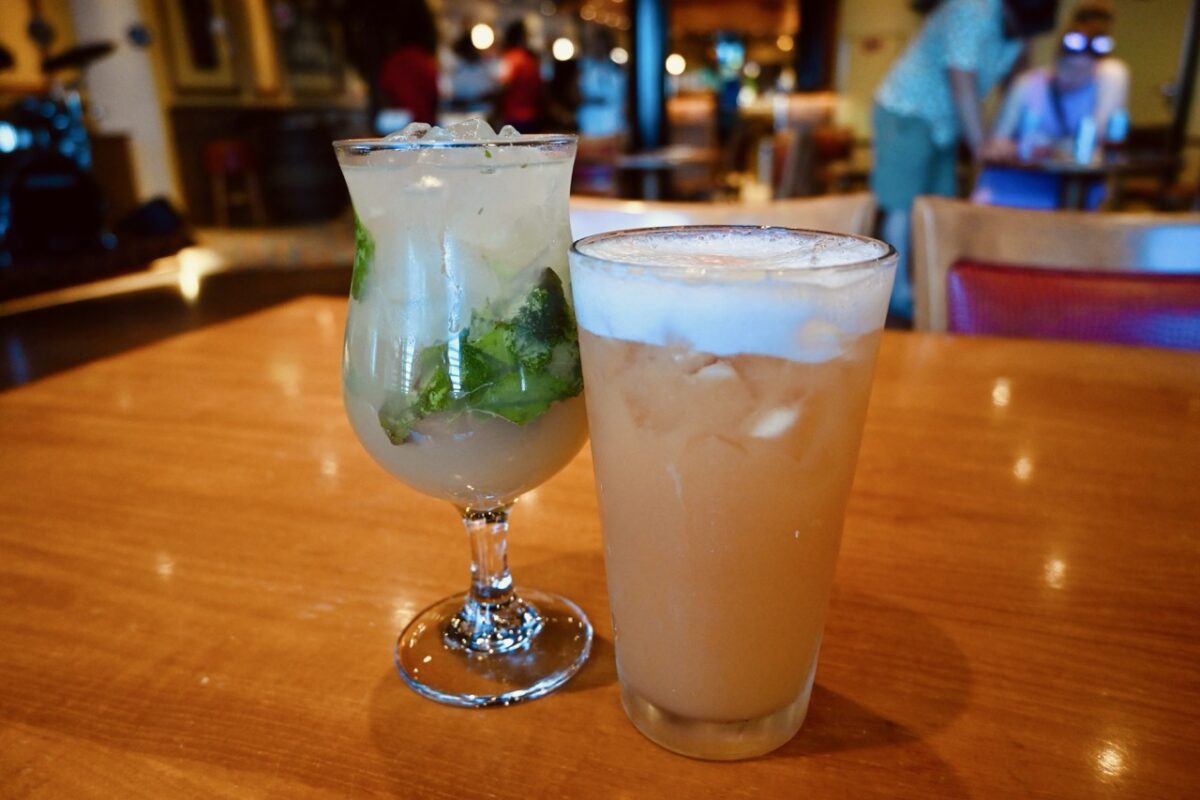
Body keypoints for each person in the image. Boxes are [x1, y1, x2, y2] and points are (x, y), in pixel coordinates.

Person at [871, 0, 1059, 320]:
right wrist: (982, 145)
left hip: (947, 121)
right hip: (908, 109)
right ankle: (895, 298)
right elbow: (962, 84)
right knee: (902, 204)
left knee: (939, 206)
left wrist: (1010, 134)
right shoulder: (972, 9)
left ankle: (932, 292)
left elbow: (1017, 78)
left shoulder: (1022, 23)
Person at [973, 22, 1126, 209]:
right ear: (1057, 60)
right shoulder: (1029, 84)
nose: (1075, 75)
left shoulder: (1103, 86)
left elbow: (1100, 135)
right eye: (1069, 67)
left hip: (1067, 193)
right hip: (1012, 189)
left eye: (1083, 70)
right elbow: (998, 141)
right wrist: (1013, 147)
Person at [376, 0, 439, 126]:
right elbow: (434, 93)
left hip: (397, 126)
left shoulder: (393, 60)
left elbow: (385, 91)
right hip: (423, 125)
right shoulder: (423, 60)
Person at [497, 21, 543, 132]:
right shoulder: (532, 61)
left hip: (513, 116)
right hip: (533, 115)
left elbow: (503, 85)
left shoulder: (511, 58)